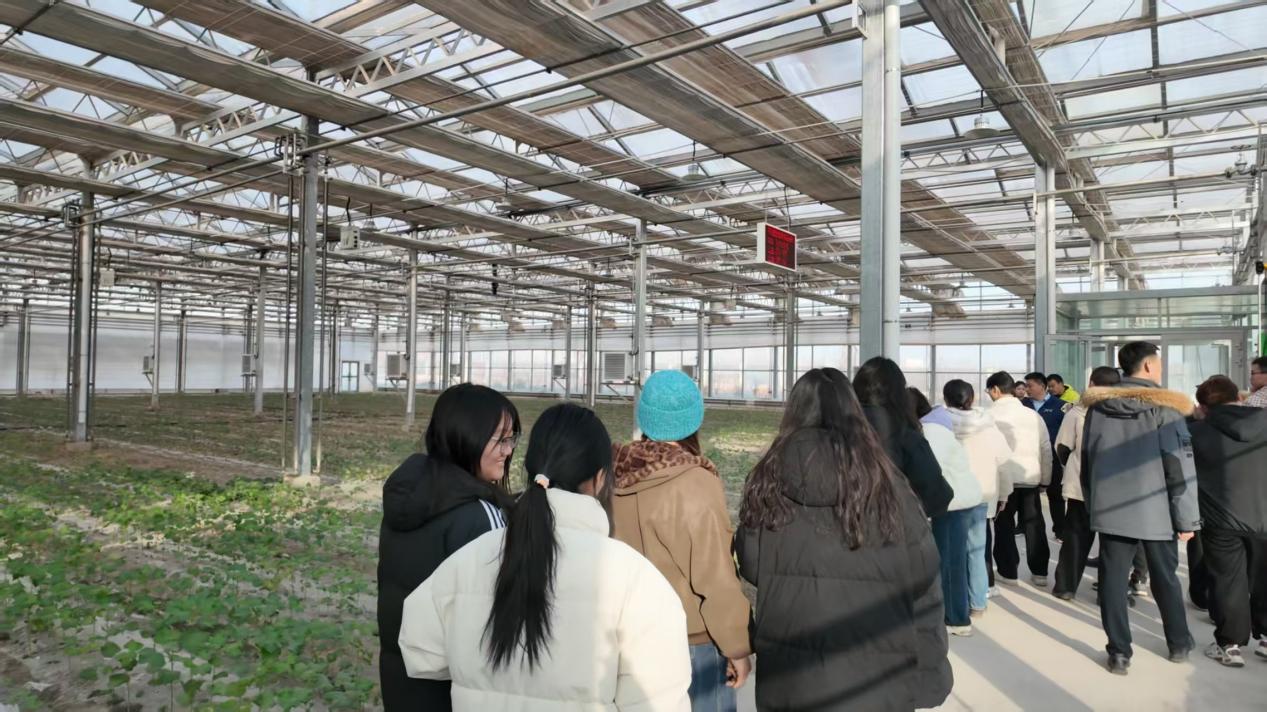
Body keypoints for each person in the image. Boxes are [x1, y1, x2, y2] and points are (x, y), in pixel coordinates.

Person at [397, 403, 692, 711]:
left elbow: (421, 653)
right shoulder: (636, 580)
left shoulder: (469, 560)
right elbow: (657, 702)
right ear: (600, 479)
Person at [734, 368, 952, 712]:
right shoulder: (888, 482)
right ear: (854, 411)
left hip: (793, 676)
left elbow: (752, 565)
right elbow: (923, 573)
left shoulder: (767, 480)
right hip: (877, 675)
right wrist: (930, 668)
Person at [612, 370, 751, 711]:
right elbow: (715, 578)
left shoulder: (614, 476)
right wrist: (737, 646)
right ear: (694, 420)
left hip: (628, 642)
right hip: (692, 647)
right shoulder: (696, 483)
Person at [377, 383, 519, 711]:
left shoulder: (409, 499)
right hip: (456, 689)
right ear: (465, 437)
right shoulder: (479, 516)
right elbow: (499, 622)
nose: (508, 450)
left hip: (403, 680)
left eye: (511, 439)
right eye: (500, 439)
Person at [1081, 341, 1199, 675]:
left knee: (1112, 582)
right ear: (1148, 366)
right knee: (1165, 579)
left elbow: (1087, 461)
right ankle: (1178, 643)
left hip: (1111, 508)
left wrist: (1095, 505)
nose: (1160, 367)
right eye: (1158, 362)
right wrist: (1187, 518)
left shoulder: (1099, 408)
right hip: (1155, 511)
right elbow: (1178, 466)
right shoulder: (1165, 407)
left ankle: (1119, 652)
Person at [1189, 375, 1267, 667]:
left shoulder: (1197, 432)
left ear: (1204, 406)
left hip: (1220, 519)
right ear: (1238, 397)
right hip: (1264, 515)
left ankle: (1230, 645)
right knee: (1264, 577)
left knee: (1227, 580)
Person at [910, 388, 983, 637]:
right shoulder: (935, 426)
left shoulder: (931, 431)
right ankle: (956, 611)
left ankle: (957, 619)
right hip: (956, 500)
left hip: (954, 503)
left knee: (951, 562)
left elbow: (931, 471)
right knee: (955, 559)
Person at [943, 379, 1015, 615]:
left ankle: (954, 603)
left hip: (950, 497)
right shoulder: (989, 427)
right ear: (972, 398)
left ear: (946, 399)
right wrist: (1004, 494)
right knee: (976, 551)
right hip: (980, 495)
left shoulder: (940, 426)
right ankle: (978, 603)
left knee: (949, 551)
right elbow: (1004, 464)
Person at [853, 357, 953, 518]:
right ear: (899, 394)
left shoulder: (836, 432)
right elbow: (936, 496)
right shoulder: (907, 438)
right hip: (893, 526)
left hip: (843, 526)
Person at [1052, 366, 1120, 600]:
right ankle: (1108, 593)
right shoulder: (1126, 412)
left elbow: (1062, 448)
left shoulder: (1077, 412)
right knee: (1113, 545)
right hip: (1116, 489)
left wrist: (1074, 465)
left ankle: (1065, 587)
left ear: (1091, 384)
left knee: (1075, 538)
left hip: (1082, 487)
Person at [984, 371, 1052, 587]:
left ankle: (1008, 571)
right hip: (1030, 478)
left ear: (995, 390)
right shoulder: (1032, 415)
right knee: (1034, 525)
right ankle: (1040, 572)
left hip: (1002, 480)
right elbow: (1046, 449)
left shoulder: (988, 416)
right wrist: (1045, 479)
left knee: (1003, 525)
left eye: (988, 391)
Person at [1024, 371, 1068, 540]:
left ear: (1042, 386)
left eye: (1030, 386)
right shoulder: (1022, 405)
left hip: (1053, 458)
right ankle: (1026, 527)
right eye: (1026, 386)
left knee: (1055, 495)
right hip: (1029, 458)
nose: (1027, 389)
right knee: (1029, 497)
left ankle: (1060, 529)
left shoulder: (1062, 406)